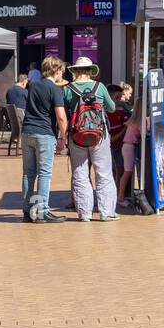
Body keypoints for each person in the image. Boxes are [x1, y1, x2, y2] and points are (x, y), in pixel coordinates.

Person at [63, 57, 118, 222]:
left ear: (75, 71)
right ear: (90, 70)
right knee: (103, 173)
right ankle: (106, 212)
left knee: (80, 174)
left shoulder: (68, 89)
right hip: (99, 136)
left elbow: (64, 111)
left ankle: (84, 213)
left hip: (76, 135)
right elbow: (112, 108)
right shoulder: (99, 87)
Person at [20, 55, 68, 223]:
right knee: (44, 174)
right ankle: (41, 211)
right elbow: (61, 116)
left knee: (28, 174)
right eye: (61, 70)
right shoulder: (55, 89)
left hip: (27, 132)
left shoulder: (33, 85)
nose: (62, 74)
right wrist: (64, 137)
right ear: (56, 70)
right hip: (44, 133)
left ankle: (27, 210)